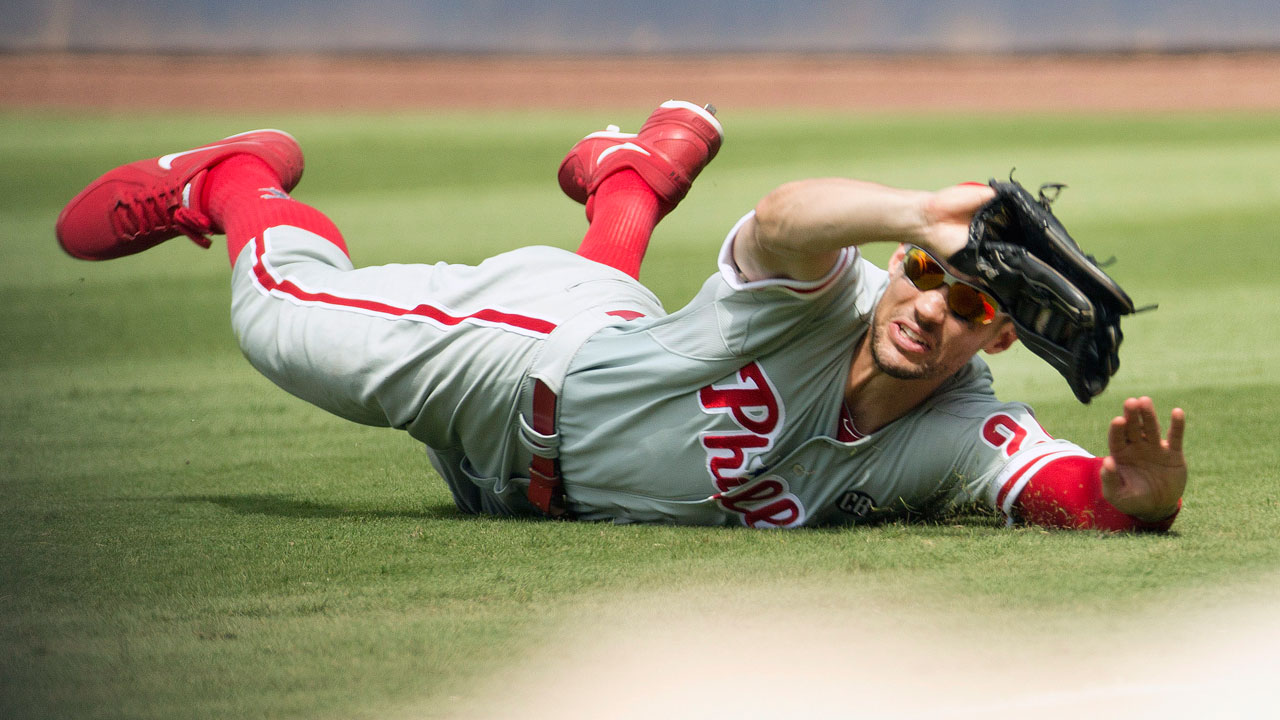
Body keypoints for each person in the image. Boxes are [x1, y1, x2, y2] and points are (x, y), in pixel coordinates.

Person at [56, 100, 1186, 531]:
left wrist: (1133, 499)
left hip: (561, 429)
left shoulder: (952, 430)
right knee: (276, 324)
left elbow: (1046, 481)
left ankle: (629, 186)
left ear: (1000, 335)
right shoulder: (827, 293)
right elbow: (784, 218)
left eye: (971, 303)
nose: (930, 305)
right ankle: (236, 179)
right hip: (510, 365)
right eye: (923, 274)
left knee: (641, 327)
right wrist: (916, 212)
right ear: (897, 264)